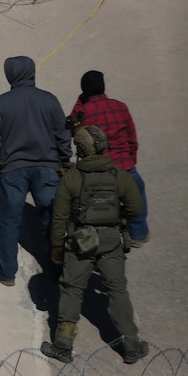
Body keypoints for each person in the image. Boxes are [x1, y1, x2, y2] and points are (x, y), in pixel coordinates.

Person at [41, 125, 148, 365]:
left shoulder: (71, 178)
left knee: (72, 290)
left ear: (79, 149)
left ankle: (63, 345)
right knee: (117, 289)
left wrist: (57, 248)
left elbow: (59, 218)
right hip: (111, 241)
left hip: (81, 242)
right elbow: (136, 209)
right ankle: (131, 345)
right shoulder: (119, 176)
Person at [0, 56, 72, 286]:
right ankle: (57, 269)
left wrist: (0, 157)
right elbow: (62, 134)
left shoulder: (2, 103)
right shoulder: (49, 100)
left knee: (9, 221)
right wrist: (64, 159)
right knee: (52, 219)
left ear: (10, 74)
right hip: (47, 169)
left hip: (13, 170)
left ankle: (6, 271)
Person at [67, 70, 149, 247]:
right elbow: (132, 139)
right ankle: (139, 233)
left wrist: (79, 103)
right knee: (138, 191)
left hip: (98, 168)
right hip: (124, 165)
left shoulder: (84, 111)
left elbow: (74, 130)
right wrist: (130, 162)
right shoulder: (121, 106)